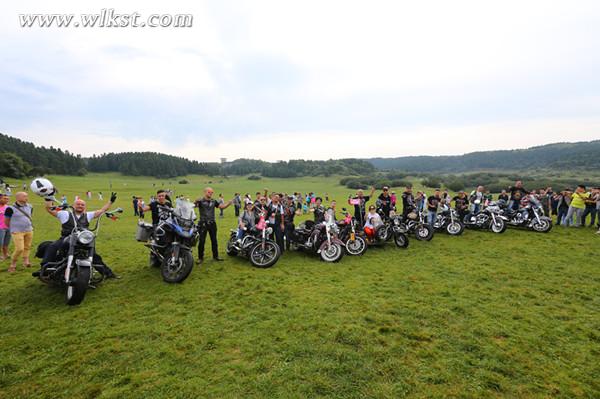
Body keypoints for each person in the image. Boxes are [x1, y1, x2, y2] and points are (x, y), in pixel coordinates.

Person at [41, 194, 118, 278]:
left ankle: (108, 274)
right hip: (66, 238)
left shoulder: (88, 215)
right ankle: (44, 269)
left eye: (82, 205)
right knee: (53, 246)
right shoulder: (65, 214)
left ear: (85, 207)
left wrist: (110, 202)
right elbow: (50, 209)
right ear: (73, 205)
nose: (80, 206)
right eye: (78, 204)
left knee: (94, 256)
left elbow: (102, 210)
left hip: (82, 239)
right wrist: (48, 199)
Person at [195, 187, 232, 264]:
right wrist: (195, 201)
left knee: (214, 240)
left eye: (212, 192)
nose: (210, 193)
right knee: (202, 241)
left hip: (212, 223)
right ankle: (200, 258)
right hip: (203, 223)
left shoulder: (214, 201)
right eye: (209, 192)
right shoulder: (200, 201)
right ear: (205, 192)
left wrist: (228, 203)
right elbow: (193, 206)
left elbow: (221, 207)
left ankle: (216, 256)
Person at [4, 192, 34, 273]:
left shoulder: (30, 206)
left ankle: (26, 261)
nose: (26, 197)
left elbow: (29, 216)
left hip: (29, 230)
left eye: (27, 196)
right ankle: (13, 264)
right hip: (17, 231)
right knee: (19, 249)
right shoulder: (10, 208)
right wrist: (13, 228)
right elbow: (6, 221)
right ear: (18, 198)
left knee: (27, 247)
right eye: (24, 196)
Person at [0, 194, 11, 261]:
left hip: (8, 227)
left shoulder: (8, 207)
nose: (7, 200)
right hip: (0, 228)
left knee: (6, 242)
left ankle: (5, 254)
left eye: (7, 198)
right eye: (5, 198)